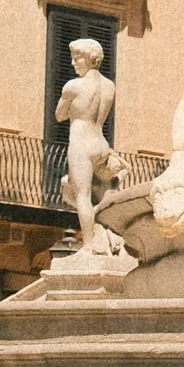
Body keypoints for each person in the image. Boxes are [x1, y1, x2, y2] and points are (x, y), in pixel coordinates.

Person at [54, 37, 118, 250]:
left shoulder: (73, 86)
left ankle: (89, 247)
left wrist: (72, 107)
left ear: (90, 59)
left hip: (81, 143)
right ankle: (101, 228)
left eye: (77, 58)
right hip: (101, 144)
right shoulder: (110, 86)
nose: (73, 63)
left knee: (81, 196)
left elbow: (59, 115)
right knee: (72, 189)